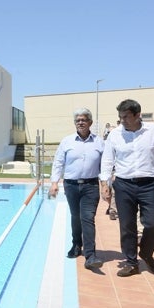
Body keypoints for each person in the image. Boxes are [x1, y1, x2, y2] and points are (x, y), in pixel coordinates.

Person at [99, 99, 154, 277]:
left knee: (153, 223)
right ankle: (131, 262)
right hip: (123, 184)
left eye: (126, 117)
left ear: (137, 115)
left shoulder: (153, 130)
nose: (122, 121)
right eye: (120, 117)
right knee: (127, 225)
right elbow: (107, 160)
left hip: (148, 184)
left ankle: (146, 253)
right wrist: (105, 184)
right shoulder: (115, 134)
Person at [49, 107, 104, 270]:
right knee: (76, 216)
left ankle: (90, 255)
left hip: (91, 185)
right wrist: (54, 183)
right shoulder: (67, 141)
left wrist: (106, 184)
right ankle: (76, 244)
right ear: (75, 123)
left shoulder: (99, 142)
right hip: (71, 185)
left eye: (84, 120)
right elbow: (58, 162)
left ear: (90, 122)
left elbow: (105, 165)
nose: (80, 122)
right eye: (78, 120)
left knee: (87, 217)